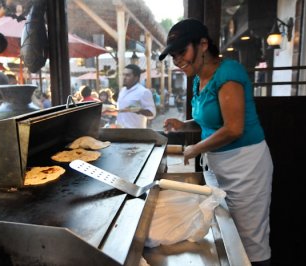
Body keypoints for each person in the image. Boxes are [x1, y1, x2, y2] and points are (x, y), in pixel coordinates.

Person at [160, 18, 273, 266]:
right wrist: (184, 124)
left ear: (202, 44)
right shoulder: (199, 79)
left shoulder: (228, 72)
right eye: (174, 56)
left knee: (250, 242)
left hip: (246, 166)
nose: (178, 61)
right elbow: (210, 121)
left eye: (182, 52)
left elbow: (233, 128)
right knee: (231, 235)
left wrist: (193, 151)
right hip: (219, 164)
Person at [116, 64, 156, 128]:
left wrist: (139, 110)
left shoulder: (143, 92)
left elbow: (152, 114)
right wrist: (109, 111)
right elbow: (122, 111)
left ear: (136, 77)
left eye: (128, 75)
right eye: (123, 75)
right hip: (120, 131)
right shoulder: (122, 91)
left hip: (136, 133)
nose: (124, 77)